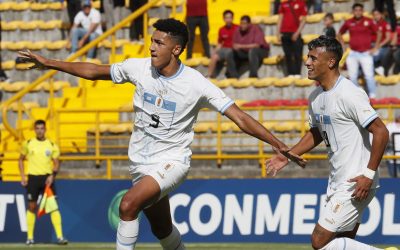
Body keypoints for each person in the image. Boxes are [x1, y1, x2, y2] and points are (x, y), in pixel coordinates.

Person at [18, 18, 305, 250]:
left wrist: (278, 144)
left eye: (159, 42)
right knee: (162, 229)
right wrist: (51, 63)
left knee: (128, 205)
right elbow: (95, 70)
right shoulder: (139, 68)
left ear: (176, 49)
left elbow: (239, 116)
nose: (152, 47)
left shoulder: (196, 83)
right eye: (151, 41)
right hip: (140, 163)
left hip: (172, 161)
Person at [266, 36, 392, 250]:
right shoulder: (315, 97)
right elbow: (316, 133)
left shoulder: (350, 94)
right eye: (308, 57)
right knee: (341, 244)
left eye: (313, 58)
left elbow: (381, 131)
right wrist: (286, 155)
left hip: (356, 180)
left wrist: (368, 175)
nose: (307, 62)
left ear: (331, 62)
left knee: (319, 241)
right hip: (336, 180)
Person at [18, 120, 68, 246]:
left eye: (42, 128)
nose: (40, 130)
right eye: (37, 128)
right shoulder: (28, 143)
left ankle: (60, 237)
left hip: (47, 179)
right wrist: (23, 176)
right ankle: (30, 238)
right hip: (33, 179)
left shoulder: (51, 145)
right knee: (32, 207)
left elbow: (56, 162)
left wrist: (52, 175)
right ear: (34, 130)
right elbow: (20, 160)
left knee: (53, 207)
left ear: (45, 129)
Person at [337, 3, 380, 98]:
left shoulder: (369, 21)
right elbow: (339, 33)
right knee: (353, 77)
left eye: (360, 10)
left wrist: (376, 47)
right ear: (353, 11)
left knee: (369, 76)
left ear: (362, 11)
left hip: (366, 53)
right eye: (356, 10)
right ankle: (356, 97)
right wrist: (343, 46)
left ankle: (373, 96)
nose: (358, 12)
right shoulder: (349, 22)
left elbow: (378, 32)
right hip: (353, 53)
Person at [277, 0, 307, 77]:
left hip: (295, 33)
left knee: (297, 54)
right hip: (284, 33)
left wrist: (297, 33)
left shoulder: (301, 3)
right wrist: (277, 33)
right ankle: (290, 73)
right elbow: (280, 19)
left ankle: (297, 73)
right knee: (288, 54)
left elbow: (304, 20)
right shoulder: (283, 4)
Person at [207, 10, 238, 78]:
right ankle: (209, 76)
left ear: (232, 18)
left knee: (229, 54)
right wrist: (214, 52)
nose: (228, 19)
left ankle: (231, 75)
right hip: (224, 49)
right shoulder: (221, 29)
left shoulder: (237, 28)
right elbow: (220, 44)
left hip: (233, 49)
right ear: (224, 19)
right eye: (226, 18)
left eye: (230, 17)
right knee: (214, 56)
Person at [372, 8, 392, 76]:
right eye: (374, 15)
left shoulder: (385, 24)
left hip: (382, 46)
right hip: (372, 45)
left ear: (381, 15)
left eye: (377, 14)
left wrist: (379, 45)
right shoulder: (372, 24)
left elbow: (388, 38)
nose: (376, 16)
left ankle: (379, 70)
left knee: (374, 56)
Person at [386, 110, 400, 177]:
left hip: (394, 157)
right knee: (393, 180)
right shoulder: (390, 126)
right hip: (391, 158)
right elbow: (385, 140)